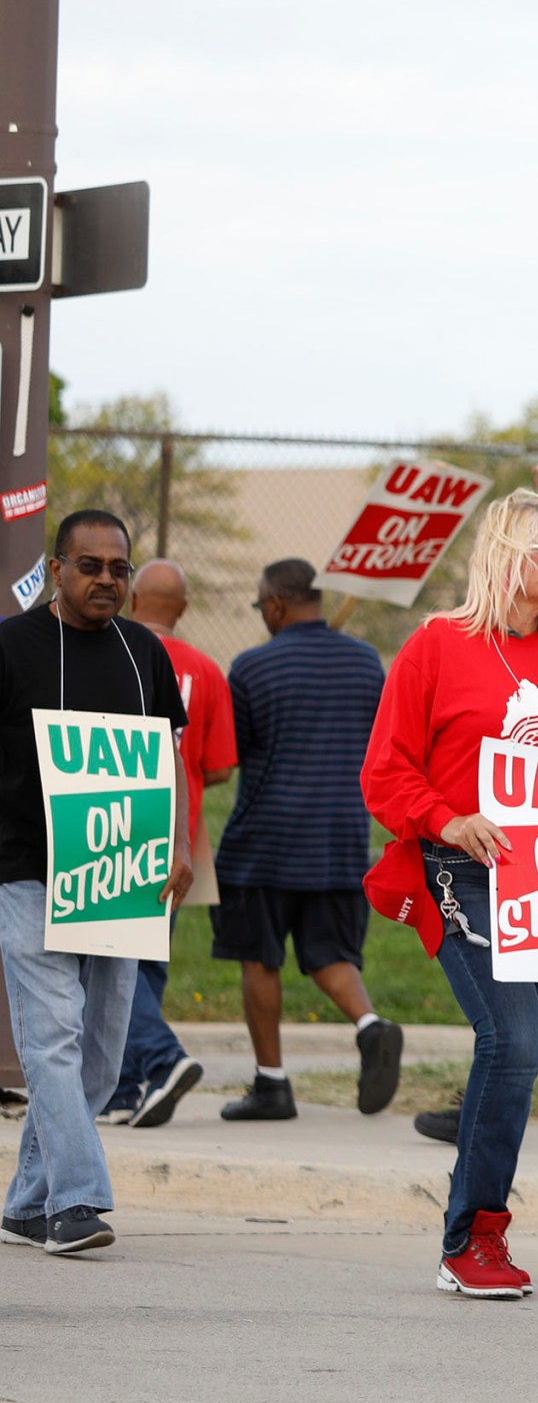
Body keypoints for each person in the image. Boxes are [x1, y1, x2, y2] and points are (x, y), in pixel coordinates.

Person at [359, 488, 538, 1300]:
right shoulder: (438, 645)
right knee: (511, 1042)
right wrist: (448, 821)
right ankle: (473, 1237)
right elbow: (385, 772)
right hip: (464, 872)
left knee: (521, 1053)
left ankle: (479, 1230)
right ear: (507, 554)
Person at [0, 509, 193, 1254]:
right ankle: (77, 1202)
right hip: (26, 871)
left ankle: (26, 1202)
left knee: (101, 1053)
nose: (106, 579)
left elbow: (169, 753)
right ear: (57, 569)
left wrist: (177, 841)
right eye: (90, 566)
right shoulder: (11, 644)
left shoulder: (144, 651)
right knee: (52, 1038)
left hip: (121, 871)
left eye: (118, 568)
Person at [202, 559, 400, 1123]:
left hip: (263, 842)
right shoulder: (366, 663)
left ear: (276, 602)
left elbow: (232, 754)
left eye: (260, 605)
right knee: (330, 956)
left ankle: (272, 1084)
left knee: (258, 958)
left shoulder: (252, 668)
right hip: (340, 840)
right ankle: (371, 1026)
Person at [103, 560, 236, 1129]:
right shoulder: (205, 670)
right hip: (176, 833)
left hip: (111, 824)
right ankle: (123, 1086)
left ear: (133, 599)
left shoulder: (109, 652)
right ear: (181, 608)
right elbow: (223, 766)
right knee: (146, 962)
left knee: (106, 962)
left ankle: (161, 1061)